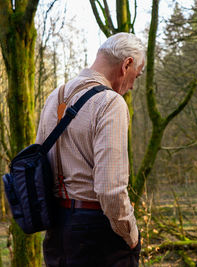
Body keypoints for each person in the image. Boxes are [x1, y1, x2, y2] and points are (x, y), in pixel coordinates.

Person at [35, 32, 145, 267]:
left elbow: (38, 165)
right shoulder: (110, 103)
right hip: (98, 233)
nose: (134, 85)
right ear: (127, 64)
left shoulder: (55, 96)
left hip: (56, 229)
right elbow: (110, 190)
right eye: (138, 73)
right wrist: (132, 235)